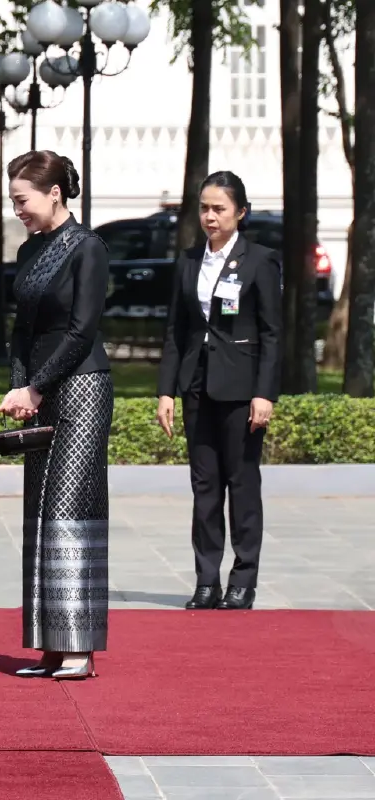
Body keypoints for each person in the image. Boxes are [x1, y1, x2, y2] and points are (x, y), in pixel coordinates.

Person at [0, 151, 112, 681]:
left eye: (23, 199)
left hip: (82, 386)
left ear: (54, 195)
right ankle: (48, 642)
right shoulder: (27, 250)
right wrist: (20, 383)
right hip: (38, 390)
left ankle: (79, 647)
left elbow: (82, 329)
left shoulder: (88, 248)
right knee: (38, 512)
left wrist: (37, 387)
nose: (17, 208)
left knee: (71, 508)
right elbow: (20, 329)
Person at [156, 171, 281, 611]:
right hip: (196, 386)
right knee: (204, 487)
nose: (209, 217)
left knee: (242, 483)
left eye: (219, 209)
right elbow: (177, 329)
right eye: (205, 208)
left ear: (240, 213)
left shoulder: (260, 260)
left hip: (242, 390)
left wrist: (264, 393)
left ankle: (243, 578)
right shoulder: (189, 261)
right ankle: (206, 580)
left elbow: (271, 333)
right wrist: (166, 390)